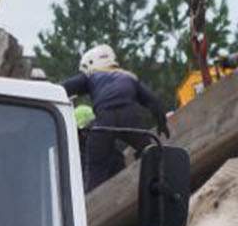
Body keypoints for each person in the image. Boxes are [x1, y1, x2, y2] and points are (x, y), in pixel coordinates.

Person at [59, 44, 172, 191]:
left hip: (104, 121)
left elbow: (64, 88)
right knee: (148, 152)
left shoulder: (91, 76)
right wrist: (162, 122)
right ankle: (155, 185)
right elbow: (153, 101)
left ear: (90, 64)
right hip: (130, 119)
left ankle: (91, 199)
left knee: (95, 167)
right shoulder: (129, 77)